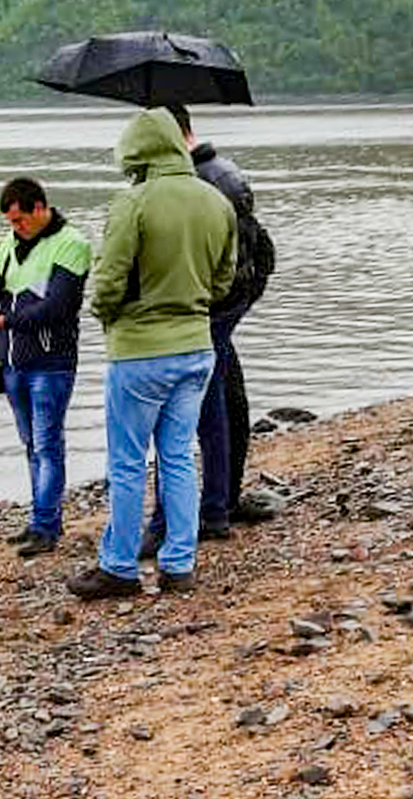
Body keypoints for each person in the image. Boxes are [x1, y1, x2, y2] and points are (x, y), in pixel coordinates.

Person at [68, 108, 236, 599]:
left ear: (136, 152)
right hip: (196, 346)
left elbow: (108, 282)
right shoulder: (216, 202)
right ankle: (178, 564)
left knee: (126, 462)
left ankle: (119, 566)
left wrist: (108, 317)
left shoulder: (132, 204)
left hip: (140, 351)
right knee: (179, 457)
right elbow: (223, 280)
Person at [141, 103, 274, 550]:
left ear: (172, 137)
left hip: (204, 308)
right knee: (225, 400)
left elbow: (199, 253)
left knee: (191, 410)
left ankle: (194, 514)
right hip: (226, 303)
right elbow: (259, 252)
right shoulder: (227, 173)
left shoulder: (199, 183)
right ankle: (220, 501)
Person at [0, 177, 92, 557]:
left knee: (48, 443)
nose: (15, 227)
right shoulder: (10, 244)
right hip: (13, 361)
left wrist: (6, 323)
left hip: (51, 361)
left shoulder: (72, 244)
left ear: (40, 208)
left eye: (20, 220)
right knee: (31, 444)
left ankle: (45, 527)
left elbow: (58, 307)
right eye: (10, 222)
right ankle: (41, 521)